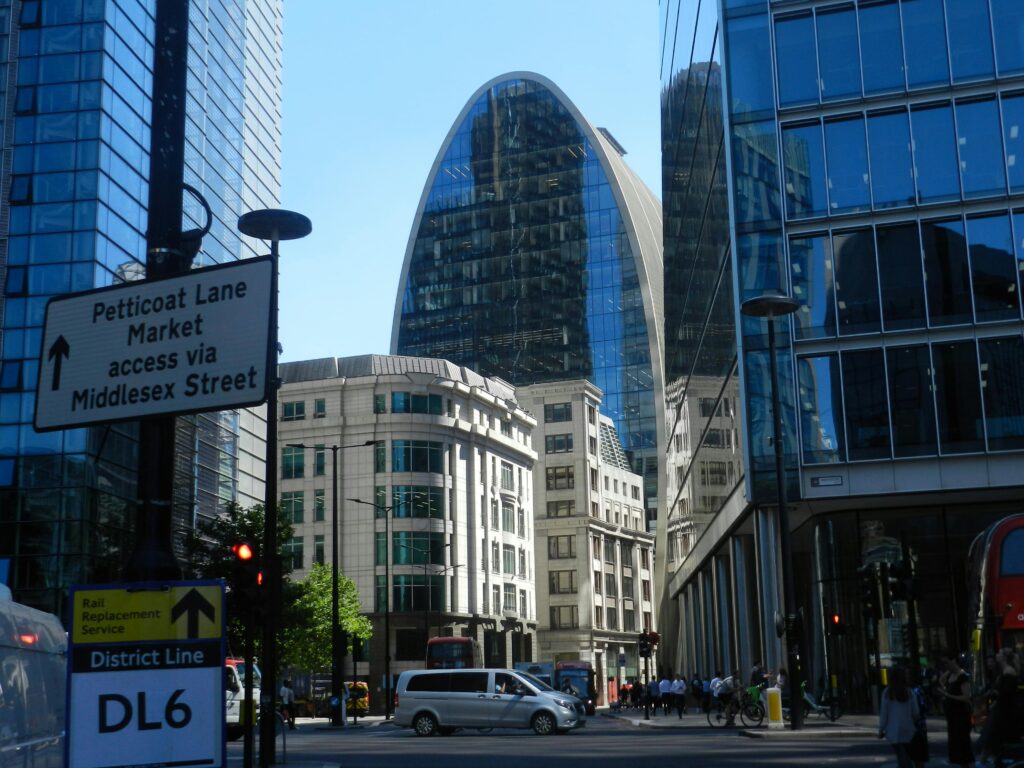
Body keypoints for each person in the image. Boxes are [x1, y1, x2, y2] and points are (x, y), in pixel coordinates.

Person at [978, 647, 1021, 765]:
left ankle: (985, 761)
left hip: (1005, 711)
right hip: (1001, 709)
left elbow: (1006, 693)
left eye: (999, 653)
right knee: (991, 740)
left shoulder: (1009, 671)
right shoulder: (1004, 671)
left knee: (991, 738)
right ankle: (987, 761)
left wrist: (995, 699)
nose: (996, 655)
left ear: (1004, 658)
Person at [936, 651, 973, 768]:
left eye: (947, 663)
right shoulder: (951, 676)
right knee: (956, 745)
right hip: (952, 716)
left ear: (954, 661)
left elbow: (966, 697)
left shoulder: (963, 677)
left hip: (961, 716)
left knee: (963, 745)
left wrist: (947, 695)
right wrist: (950, 670)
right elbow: (941, 680)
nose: (945, 666)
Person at [878, 667, 920, 768]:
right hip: (908, 729)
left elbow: (884, 714)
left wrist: (881, 730)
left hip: (893, 731)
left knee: (901, 756)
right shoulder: (909, 692)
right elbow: (916, 712)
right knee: (905, 755)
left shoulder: (887, 693)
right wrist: (914, 722)